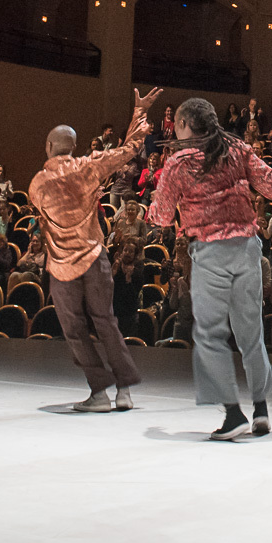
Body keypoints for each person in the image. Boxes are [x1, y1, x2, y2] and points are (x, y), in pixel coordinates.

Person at [148, 98, 272, 441]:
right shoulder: (237, 149)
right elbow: (271, 183)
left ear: (185, 124)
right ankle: (261, 410)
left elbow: (161, 215)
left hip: (211, 252)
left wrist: (156, 210)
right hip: (247, 250)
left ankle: (233, 414)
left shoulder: (178, 162)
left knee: (210, 335)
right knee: (250, 334)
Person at [28, 89, 160, 412]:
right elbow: (129, 150)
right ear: (73, 147)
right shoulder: (89, 166)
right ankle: (124, 391)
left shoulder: (36, 185)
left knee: (74, 329)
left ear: (48, 148)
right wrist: (138, 114)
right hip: (94, 257)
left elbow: (43, 219)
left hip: (61, 267)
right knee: (106, 321)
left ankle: (98, 393)